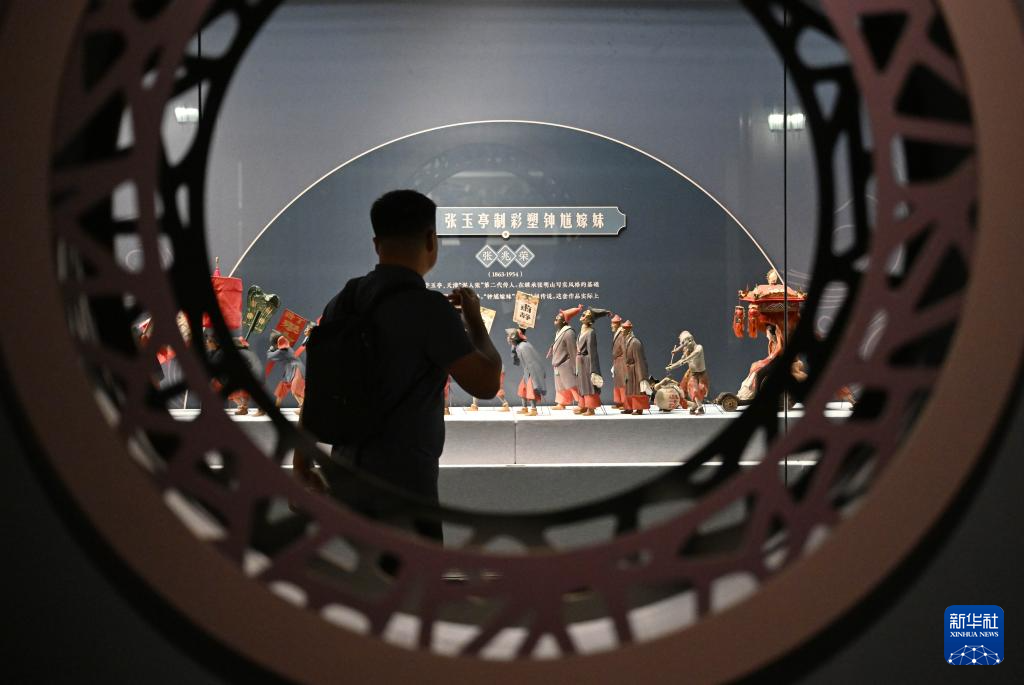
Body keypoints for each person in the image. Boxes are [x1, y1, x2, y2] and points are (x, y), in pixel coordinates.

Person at [295, 189, 502, 541]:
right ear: (431, 240)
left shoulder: (342, 301)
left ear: (376, 244)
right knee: (413, 573)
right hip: (407, 485)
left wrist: (301, 465)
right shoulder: (430, 309)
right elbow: (486, 384)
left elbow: (318, 390)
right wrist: (475, 322)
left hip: (345, 472)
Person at [547, 304, 583, 410]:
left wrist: (576, 367)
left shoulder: (569, 333)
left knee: (571, 384)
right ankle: (562, 403)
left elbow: (573, 351)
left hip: (566, 363)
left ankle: (581, 403)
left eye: (558, 318)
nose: (556, 318)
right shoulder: (559, 332)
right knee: (560, 385)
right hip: (558, 363)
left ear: (564, 321)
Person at [574, 308, 609, 415]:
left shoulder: (590, 332)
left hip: (587, 362)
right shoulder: (582, 331)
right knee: (581, 384)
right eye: (583, 313)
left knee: (589, 385)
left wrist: (593, 369)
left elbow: (592, 352)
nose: (583, 315)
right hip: (580, 362)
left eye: (586, 315)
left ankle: (591, 407)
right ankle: (583, 405)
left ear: (590, 319)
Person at [507, 327, 547, 415]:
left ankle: (533, 410)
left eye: (509, 337)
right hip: (527, 372)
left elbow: (532, 362)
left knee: (531, 391)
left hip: (532, 372)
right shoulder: (519, 346)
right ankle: (524, 408)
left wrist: (534, 376)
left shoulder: (523, 346)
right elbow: (516, 359)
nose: (508, 339)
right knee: (522, 389)